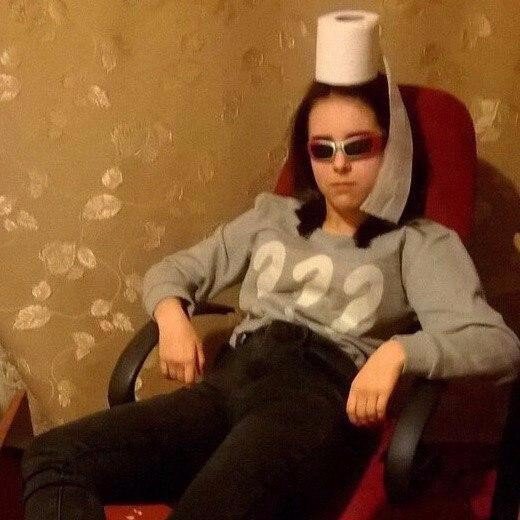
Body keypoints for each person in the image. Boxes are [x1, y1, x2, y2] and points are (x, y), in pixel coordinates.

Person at [21, 10, 520, 520]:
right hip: (229, 384)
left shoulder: (418, 243)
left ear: (391, 149)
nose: (340, 164)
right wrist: (171, 316)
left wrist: (398, 353)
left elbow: (495, 344)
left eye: (358, 147)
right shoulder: (272, 217)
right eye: (323, 150)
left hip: (316, 401)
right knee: (52, 457)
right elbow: (173, 271)